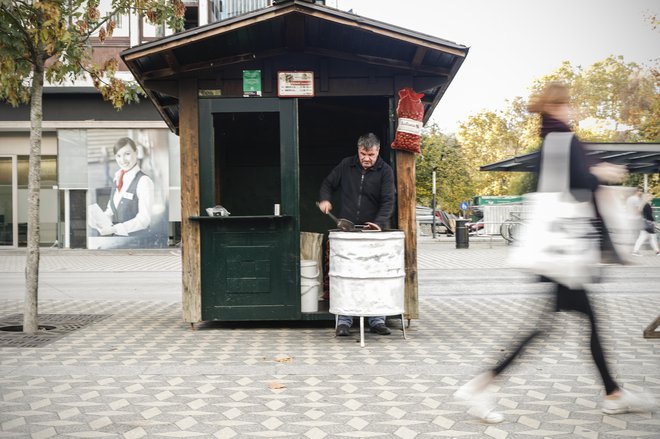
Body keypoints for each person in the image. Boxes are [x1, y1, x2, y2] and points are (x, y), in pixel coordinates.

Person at [454, 82, 655, 423]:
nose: (572, 110)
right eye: (568, 105)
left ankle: (612, 393)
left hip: (558, 250)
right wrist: (601, 173)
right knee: (552, 327)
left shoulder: (550, 140)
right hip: (564, 252)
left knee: (572, 323)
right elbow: (578, 184)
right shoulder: (563, 139)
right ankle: (480, 385)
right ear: (557, 107)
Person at [318, 132, 395, 337]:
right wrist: (325, 199)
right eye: (363, 153)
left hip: (374, 233)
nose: (367, 158)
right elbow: (327, 184)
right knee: (347, 276)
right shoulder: (346, 165)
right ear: (358, 150)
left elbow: (388, 201)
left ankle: (377, 320)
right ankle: (344, 320)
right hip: (348, 231)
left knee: (374, 276)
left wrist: (378, 224)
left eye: (371, 154)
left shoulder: (385, 171)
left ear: (378, 151)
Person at [95, 137, 155, 237]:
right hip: (119, 241)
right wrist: (101, 221)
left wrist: (114, 229)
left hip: (138, 244)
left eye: (127, 154)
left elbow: (144, 220)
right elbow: (111, 209)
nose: (122, 160)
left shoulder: (144, 181)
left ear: (136, 153)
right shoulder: (117, 177)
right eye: (118, 156)